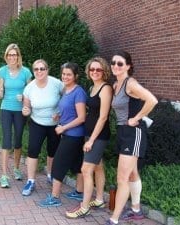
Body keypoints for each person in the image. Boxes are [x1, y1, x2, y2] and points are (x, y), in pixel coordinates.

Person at [106, 50, 158, 225]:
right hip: (122, 132)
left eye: (120, 63)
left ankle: (114, 219)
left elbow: (152, 100)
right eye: (113, 63)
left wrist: (136, 118)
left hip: (133, 132)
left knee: (122, 178)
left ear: (128, 66)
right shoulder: (115, 85)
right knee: (132, 173)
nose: (115, 66)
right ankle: (136, 211)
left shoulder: (130, 84)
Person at [66, 57, 113, 218]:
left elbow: (103, 117)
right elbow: (90, 112)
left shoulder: (105, 88)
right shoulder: (93, 87)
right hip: (90, 133)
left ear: (104, 71)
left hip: (99, 135)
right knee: (98, 166)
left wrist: (92, 140)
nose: (94, 72)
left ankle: (84, 207)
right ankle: (99, 199)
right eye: (92, 69)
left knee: (86, 169)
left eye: (98, 69)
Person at [38, 62, 87, 207]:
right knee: (78, 164)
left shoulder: (78, 92)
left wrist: (63, 127)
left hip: (73, 134)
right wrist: (58, 117)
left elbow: (81, 117)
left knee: (58, 164)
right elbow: (70, 112)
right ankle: (79, 192)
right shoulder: (66, 90)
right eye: (64, 74)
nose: (65, 77)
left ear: (76, 76)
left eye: (69, 74)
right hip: (70, 133)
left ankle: (55, 198)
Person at [21, 59, 63, 196]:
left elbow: (68, 97)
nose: (39, 71)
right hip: (37, 122)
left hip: (54, 125)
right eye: (36, 69)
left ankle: (50, 174)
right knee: (33, 151)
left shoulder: (56, 83)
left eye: (42, 69)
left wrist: (60, 112)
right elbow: (26, 107)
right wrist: (25, 110)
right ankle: (31, 181)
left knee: (53, 151)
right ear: (33, 71)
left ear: (47, 70)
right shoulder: (29, 88)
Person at [0, 43, 32, 188]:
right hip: (6, 109)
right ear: (6, 56)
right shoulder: (2, 71)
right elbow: (0, 91)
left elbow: (30, 91)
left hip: (20, 110)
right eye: (9, 55)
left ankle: (16, 168)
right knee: (6, 140)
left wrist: (23, 97)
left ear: (18, 56)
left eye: (14, 55)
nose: (12, 57)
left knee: (17, 139)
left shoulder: (26, 72)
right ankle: (4, 175)